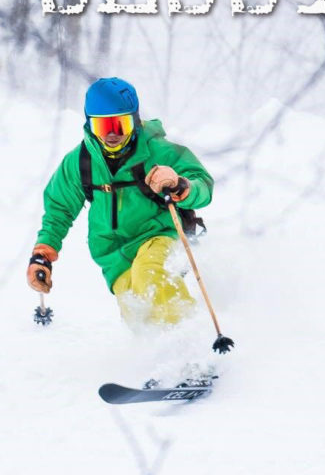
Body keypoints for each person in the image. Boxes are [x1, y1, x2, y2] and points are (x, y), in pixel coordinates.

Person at [27, 77, 213, 326]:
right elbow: (58, 209)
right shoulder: (80, 162)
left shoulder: (158, 151)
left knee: (150, 273)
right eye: (103, 127)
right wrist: (43, 254)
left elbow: (203, 184)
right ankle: (160, 355)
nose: (112, 135)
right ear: (89, 124)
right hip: (113, 254)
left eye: (120, 125)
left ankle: (191, 343)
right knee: (138, 312)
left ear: (135, 121)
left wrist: (181, 185)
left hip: (159, 234)